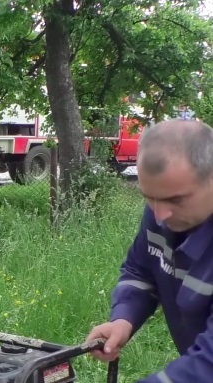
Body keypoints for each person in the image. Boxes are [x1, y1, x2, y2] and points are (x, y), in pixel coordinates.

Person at [85, 119, 213, 382]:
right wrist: (124, 319)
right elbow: (140, 270)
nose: (160, 214)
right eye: (149, 197)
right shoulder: (161, 212)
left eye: (175, 200)